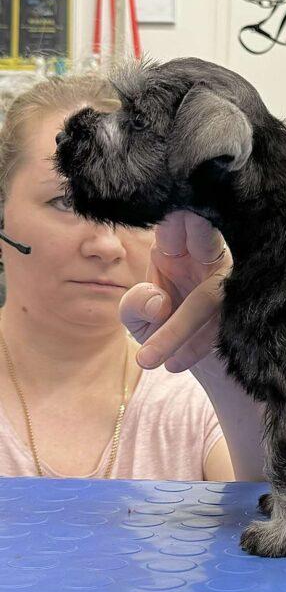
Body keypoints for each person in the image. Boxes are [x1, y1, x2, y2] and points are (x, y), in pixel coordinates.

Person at [0, 73, 266, 481]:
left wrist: (237, 377)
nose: (107, 245)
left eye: (134, 206)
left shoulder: (194, 400)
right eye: (66, 202)